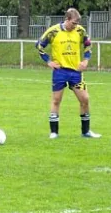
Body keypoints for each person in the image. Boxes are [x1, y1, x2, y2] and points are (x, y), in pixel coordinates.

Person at [36, 8, 102, 139]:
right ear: (66, 19)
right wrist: (48, 61)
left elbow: (88, 45)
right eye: (73, 23)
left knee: (85, 99)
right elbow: (39, 45)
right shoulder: (53, 31)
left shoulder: (80, 31)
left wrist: (85, 60)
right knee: (56, 100)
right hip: (60, 72)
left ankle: (86, 131)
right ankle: (54, 132)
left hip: (75, 73)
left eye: (77, 23)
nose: (75, 26)